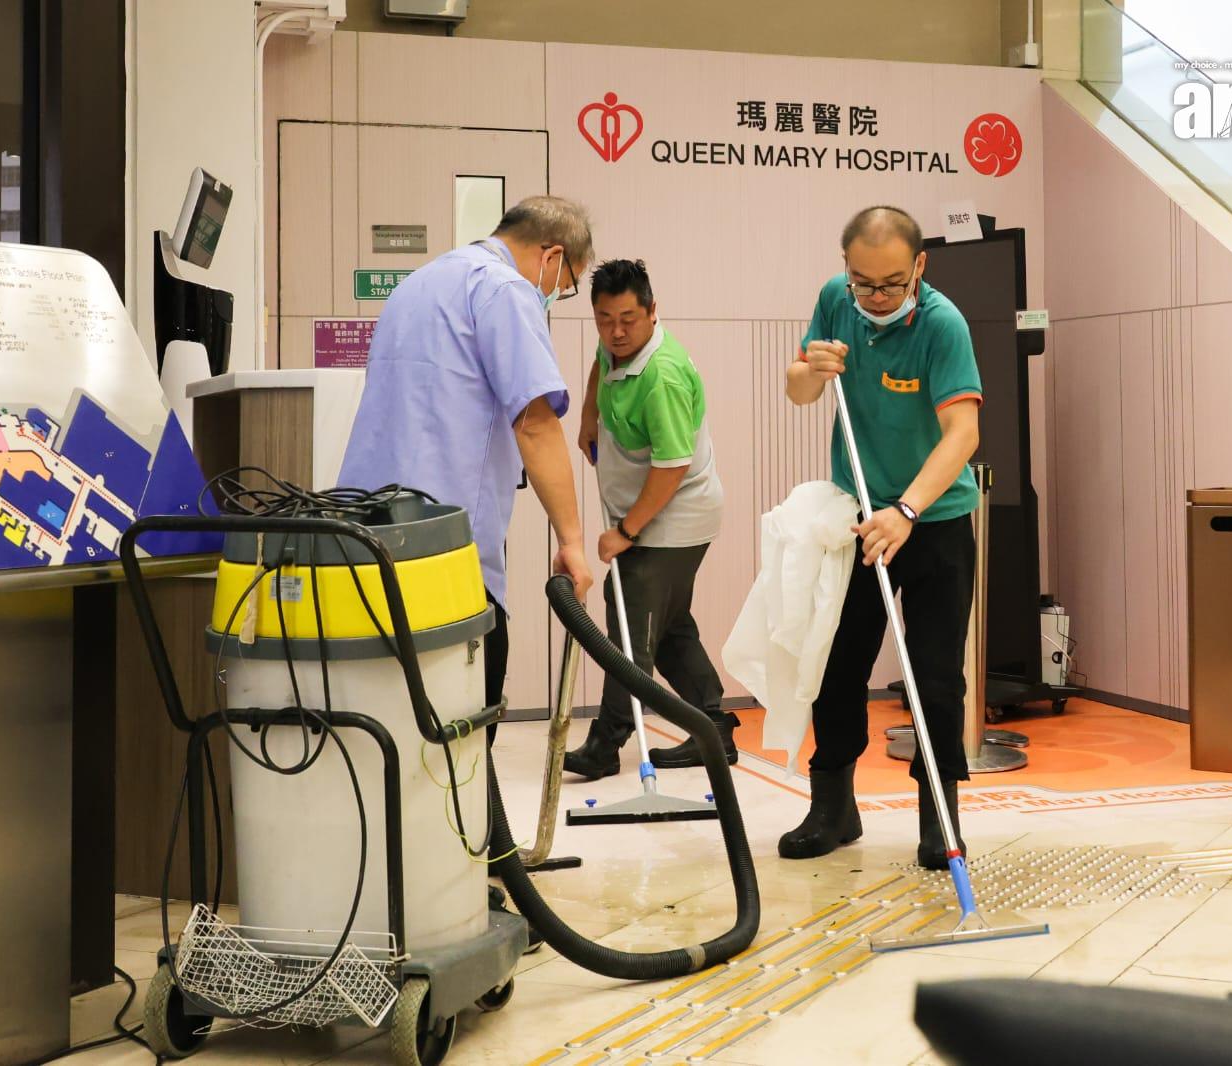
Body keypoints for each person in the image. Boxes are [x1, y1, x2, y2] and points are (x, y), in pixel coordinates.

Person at [337, 195, 597, 943]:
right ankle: (455, 895)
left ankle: (404, 883)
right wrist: (573, 537)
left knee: (400, 723)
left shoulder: (422, 283)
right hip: (444, 550)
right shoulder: (508, 291)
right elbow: (535, 419)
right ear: (552, 258)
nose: (557, 294)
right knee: (462, 718)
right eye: (567, 283)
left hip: (369, 538)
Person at [778, 206, 983, 870]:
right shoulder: (836, 302)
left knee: (933, 675)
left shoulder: (943, 326)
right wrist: (814, 367)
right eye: (863, 283)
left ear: (919, 267)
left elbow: (962, 434)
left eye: (892, 284)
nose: (876, 297)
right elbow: (798, 392)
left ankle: (939, 813)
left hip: (932, 521)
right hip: (858, 515)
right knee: (836, 666)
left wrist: (909, 510)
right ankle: (833, 808)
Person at [562, 259, 737, 778]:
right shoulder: (615, 343)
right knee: (671, 627)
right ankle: (714, 728)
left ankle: (604, 746)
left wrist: (625, 531)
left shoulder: (662, 375)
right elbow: (600, 360)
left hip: (672, 521)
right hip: (649, 518)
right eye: (604, 319)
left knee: (630, 635)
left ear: (653, 312)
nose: (616, 332)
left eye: (629, 320)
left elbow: (672, 466)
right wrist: (590, 411)